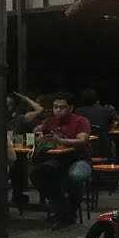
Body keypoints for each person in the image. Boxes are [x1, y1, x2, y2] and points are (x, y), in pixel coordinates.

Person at [29, 93, 92, 228]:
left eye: (62, 107)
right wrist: (38, 137)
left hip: (79, 159)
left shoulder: (80, 120)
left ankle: (68, 211)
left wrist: (61, 140)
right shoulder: (50, 121)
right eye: (55, 107)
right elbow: (38, 133)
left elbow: (82, 140)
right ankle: (63, 208)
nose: (57, 110)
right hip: (57, 160)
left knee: (73, 176)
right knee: (37, 174)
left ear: (70, 108)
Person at [75, 89, 118, 157]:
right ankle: (112, 161)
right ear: (97, 100)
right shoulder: (106, 110)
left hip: (84, 149)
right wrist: (114, 112)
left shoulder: (77, 112)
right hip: (104, 148)